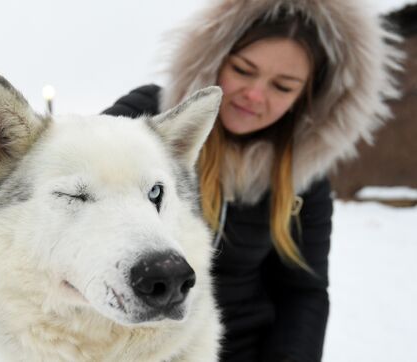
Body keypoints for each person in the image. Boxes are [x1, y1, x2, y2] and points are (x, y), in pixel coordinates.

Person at [103, 0, 402, 361]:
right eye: (243, 70)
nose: (255, 95)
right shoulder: (147, 119)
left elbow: (303, 291)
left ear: (306, 98)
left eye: (283, 86)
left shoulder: (304, 178)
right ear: (214, 59)